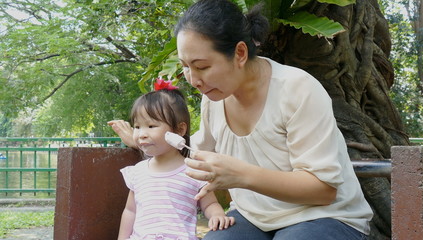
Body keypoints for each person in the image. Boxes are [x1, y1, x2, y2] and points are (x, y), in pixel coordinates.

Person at [111, 0, 374, 239]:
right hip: (253, 218)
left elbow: (323, 190)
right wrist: (139, 141)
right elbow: (190, 153)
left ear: (239, 53)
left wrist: (241, 175)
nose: (193, 79)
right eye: (185, 66)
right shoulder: (214, 101)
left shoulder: (297, 89)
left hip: (325, 217)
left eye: (202, 66)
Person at [111, 78, 234, 240]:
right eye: (137, 126)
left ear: (179, 130)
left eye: (151, 126)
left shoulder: (193, 171)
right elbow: (130, 211)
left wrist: (217, 215)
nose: (141, 134)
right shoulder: (138, 172)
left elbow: (210, 204)